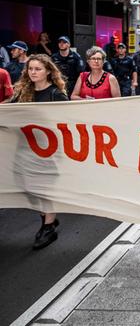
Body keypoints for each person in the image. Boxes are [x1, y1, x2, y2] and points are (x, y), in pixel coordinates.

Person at [10, 54, 69, 249]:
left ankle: (48, 226)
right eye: (30, 69)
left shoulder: (56, 95)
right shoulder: (22, 93)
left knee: (45, 188)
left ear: (48, 72)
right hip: (25, 147)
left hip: (48, 151)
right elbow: (7, 112)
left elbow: (70, 120)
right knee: (28, 186)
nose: (33, 72)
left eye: (38, 69)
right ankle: (47, 217)